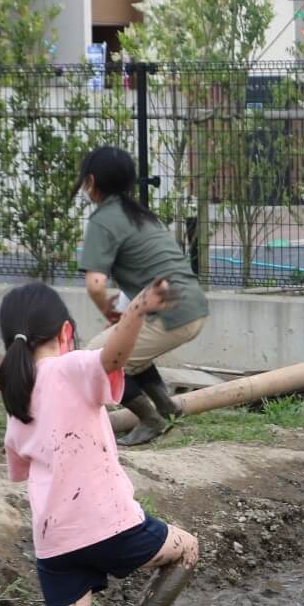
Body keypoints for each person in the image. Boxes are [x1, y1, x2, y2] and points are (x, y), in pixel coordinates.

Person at [0, 280, 201, 606]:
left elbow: (20, 470)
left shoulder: (16, 398)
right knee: (187, 549)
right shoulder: (69, 369)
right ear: (66, 332)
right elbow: (114, 357)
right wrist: (138, 311)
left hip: (55, 546)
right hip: (110, 525)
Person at [76, 146, 210, 446]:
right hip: (192, 305)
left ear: (92, 181)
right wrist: (120, 321)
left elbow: (96, 285)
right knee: (124, 347)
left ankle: (150, 421)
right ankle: (167, 408)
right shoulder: (141, 215)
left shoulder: (103, 220)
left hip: (169, 312)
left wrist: (108, 311)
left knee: (97, 361)